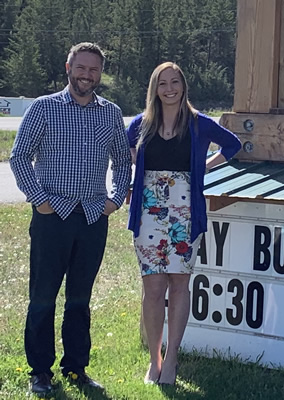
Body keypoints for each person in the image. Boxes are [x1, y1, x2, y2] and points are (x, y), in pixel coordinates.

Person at [9, 42, 132, 395]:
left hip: (93, 218)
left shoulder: (110, 113)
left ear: (100, 74)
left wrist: (114, 200)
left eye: (94, 70)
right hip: (52, 217)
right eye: (82, 68)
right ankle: (40, 371)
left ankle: (76, 367)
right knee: (43, 296)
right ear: (68, 67)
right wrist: (39, 200)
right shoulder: (44, 108)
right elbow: (19, 157)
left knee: (80, 297)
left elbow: (123, 161)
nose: (87, 75)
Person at [126, 61, 241, 385]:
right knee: (152, 287)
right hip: (148, 212)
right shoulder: (141, 124)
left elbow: (232, 145)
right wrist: (135, 163)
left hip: (185, 214)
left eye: (175, 82)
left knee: (179, 284)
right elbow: (121, 149)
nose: (169, 88)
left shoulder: (198, 124)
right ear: (155, 88)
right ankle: (155, 360)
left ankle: (173, 357)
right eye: (163, 83)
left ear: (183, 85)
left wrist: (205, 166)